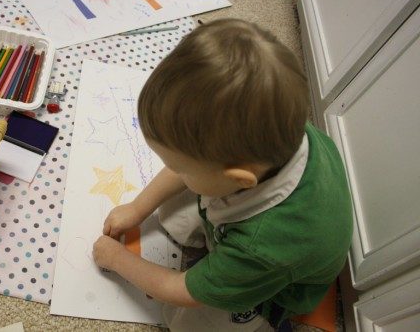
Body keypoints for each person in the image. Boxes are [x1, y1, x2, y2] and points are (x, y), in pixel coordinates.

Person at [92, 18, 353, 331]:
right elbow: (194, 167)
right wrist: (137, 208)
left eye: (179, 167)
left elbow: (182, 291)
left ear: (240, 179)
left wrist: (116, 259)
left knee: (186, 323)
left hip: (277, 287)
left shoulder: (261, 249)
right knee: (172, 216)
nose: (172, 170)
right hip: (263, 213)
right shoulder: (274, 130)